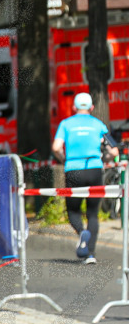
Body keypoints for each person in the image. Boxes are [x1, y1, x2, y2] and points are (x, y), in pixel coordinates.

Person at [52, 92, 120, 264]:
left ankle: (82, 232)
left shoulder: (66, 124)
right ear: (92, 108)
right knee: (93, 214)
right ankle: (90, 254)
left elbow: (56, 147)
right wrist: (104, 160)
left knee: (73, 210)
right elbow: (114, 150)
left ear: (74, 108)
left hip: (73, 169)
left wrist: (64, 158)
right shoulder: (99, 125)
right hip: (95, 169)